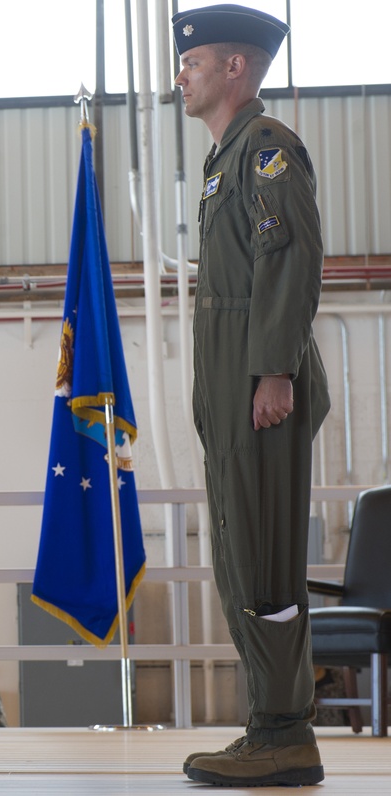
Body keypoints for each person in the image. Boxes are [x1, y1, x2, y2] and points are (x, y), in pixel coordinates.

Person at [172, 6, 330, 787]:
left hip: (260, 378)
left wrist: (274, 368)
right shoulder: (224, 159)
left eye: (194, 61)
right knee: (242, 554)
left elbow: (292, 258)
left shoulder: (265, 149)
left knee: (263, 555)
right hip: (232, 375)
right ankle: (270, 725)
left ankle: (283, 733)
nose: (182, 74)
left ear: (236, 68)